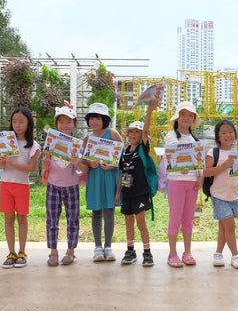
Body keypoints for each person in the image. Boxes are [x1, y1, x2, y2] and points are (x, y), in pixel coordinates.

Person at [115, 98, 158, 267]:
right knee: (128, 224)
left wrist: (149, 112)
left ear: (141, 136)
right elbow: (121, 173)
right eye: (130, 132)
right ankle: (130, 251)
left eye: (137, 132)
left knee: (141, 223)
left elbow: (146, 131)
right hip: (127, 194)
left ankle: (147, 253)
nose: (133, 135)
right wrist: (118, 193)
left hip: (140, 193)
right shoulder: (124, 153)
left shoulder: (143, 150)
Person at [0, 107, 41, 268]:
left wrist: (11, 162)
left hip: (22, 186)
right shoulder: (5, 142)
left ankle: (22, 252)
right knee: (8, 219)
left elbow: (31, 168)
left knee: (22, 218)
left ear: (29, 123)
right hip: (6, 184)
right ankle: (11, 252)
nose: (17, 125)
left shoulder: (33, 145)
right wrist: (1, 162)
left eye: (21, 122)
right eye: (14, 121)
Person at [79, 102, 123, 262]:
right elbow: (84, 161)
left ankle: (108, 246)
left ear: (105, 119)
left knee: (109, 212)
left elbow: (122, 156)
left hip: (110, 178)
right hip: (95, 179)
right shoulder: (87, 139)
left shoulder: (113, 133)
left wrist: (112, 165)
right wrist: (90, 163)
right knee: (96, 212)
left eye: (98, 118)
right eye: (91, 118)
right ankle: (98, 247)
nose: (94, 122)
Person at [41, 101, 83, 266]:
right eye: (61, 122)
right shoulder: (51, 142)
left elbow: (83, 167)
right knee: (52, 219)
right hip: (53, 186)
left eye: (68, 122)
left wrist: (78, 162)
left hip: (72, 186)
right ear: (56, 124)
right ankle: (53, 252)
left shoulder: (77, 146)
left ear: (74, 124)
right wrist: (44, 162)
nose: (64, 125)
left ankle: (71, 251)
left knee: (73, 219)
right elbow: (45, 167)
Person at [203, 119, 238, 269]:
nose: (228, 135)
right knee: (230, 227)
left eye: (231, 132)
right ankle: (235, 255)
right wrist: (223, 166)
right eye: (224, 132)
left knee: (223, 227)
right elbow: (206, 172)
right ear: (217, 136)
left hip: (234, 195)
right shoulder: (213, 152)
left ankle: (218, 253)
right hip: (219, 195)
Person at [165, 101, 203, 267]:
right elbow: (174, 156)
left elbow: (199, 162)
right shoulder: (171, 136)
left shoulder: (196, 139)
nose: (187, 118)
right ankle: (172, 254)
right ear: (177, 117)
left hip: (192, 183)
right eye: (183, 114)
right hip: (176, 182)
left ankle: (187, 252)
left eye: (190, 115)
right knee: (175, 218)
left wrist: (200, 177)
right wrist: (184, 163)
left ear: (193, 119)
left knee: (189, 219)